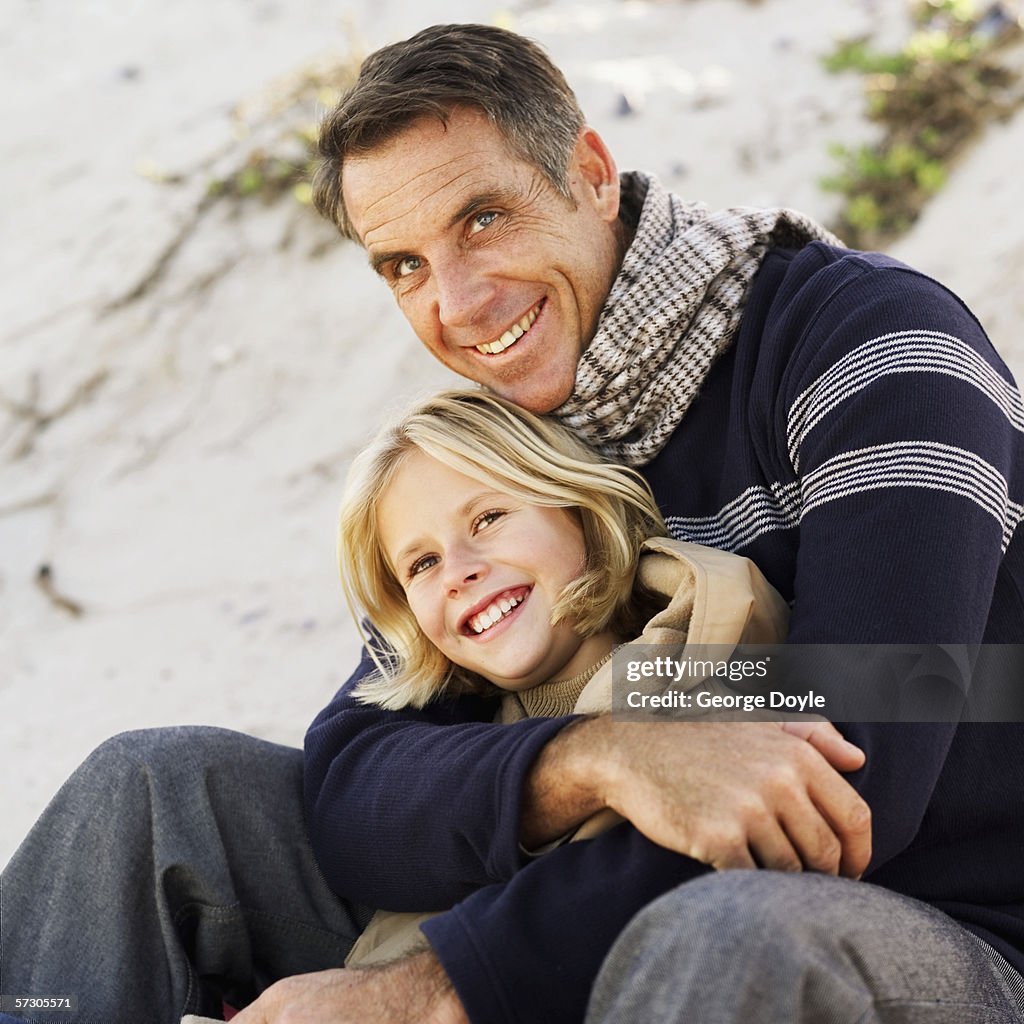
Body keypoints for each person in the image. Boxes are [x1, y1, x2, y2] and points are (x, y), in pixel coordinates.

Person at [3, 20, 1023, 1024]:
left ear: (588, 169)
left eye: (482, 219)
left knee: (729, 927)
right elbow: (356, 775)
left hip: (935, 929)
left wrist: (440, 986)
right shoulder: (510, 437)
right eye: (400, 265)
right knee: (149, 795)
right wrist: (594, 756)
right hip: (588, 898)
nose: (458, 303)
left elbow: (857, 763)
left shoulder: (867, 342)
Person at [333, 387, 795, 968]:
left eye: (489, 517)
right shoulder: (462, 751)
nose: (458, 572)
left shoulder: (712, 642)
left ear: (578, 506)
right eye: (422, 564)